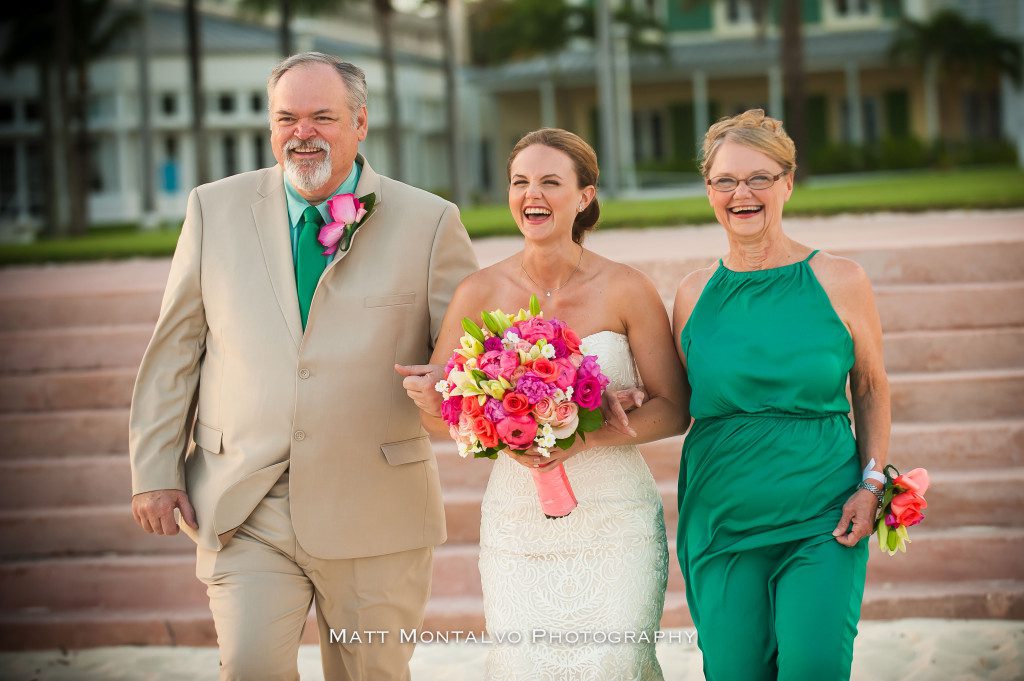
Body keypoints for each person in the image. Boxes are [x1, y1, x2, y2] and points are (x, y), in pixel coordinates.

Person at [128, 52, 478, 680]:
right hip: (246, 501)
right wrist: (154, 467)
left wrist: (448, 392)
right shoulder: (214, 209)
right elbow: (176, 348)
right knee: (251, 666)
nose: (302, 132)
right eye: (287, 118)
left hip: (377, 508)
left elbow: (464, 357)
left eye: (323, 116)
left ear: (361, 123)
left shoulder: (431, 222)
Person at [399, 128, 689, 679]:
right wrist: (475, 416)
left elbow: (674, 407)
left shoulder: (627, 289)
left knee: (616, 662)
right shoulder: (478, 292)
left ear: (584, 196)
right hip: (518, 521)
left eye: (550, 182)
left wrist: (583, 435)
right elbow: (435, 415)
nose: (532, 195)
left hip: (614, 521)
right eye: (520, 182)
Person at [673, 109, 891, 681]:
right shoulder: (692, 295)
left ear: (788, 184)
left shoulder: (840, 280)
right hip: (720, 519)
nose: (741, 194)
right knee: (734, 672)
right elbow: (673, 401)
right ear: (709, 190)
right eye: (725, 180)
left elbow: (869, 386)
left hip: (824, 512)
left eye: (759, 178)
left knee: (814, 667)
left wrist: (872, 483)